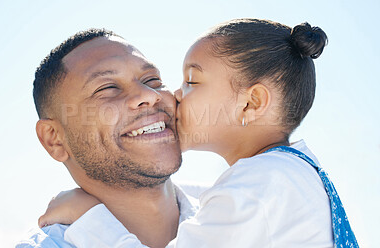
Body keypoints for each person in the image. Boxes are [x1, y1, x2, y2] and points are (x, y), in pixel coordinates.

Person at [40, 19, 359, 248]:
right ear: (54, 138)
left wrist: (91, 218)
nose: (167, 96)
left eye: (191, 82)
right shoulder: (291, 176)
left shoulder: (249, 192)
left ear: (251, 103)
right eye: (108, 87)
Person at [16, 29, 203, 248]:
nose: (149, 95)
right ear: (54, 139)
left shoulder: (238, 208)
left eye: (152, 80)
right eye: (108, 88)